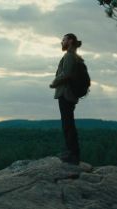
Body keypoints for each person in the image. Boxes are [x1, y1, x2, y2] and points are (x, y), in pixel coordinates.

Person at [49, 33, 83, 165]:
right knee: (68, 124)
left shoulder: (69, 56)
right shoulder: (73, 55)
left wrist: (54, 82)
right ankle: (71, 152)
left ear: (70, 40)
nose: (61, 42)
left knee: (67, 125)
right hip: (69, 94)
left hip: (66, 94)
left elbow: (66, 74)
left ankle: (72, 154)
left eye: (63, 40)